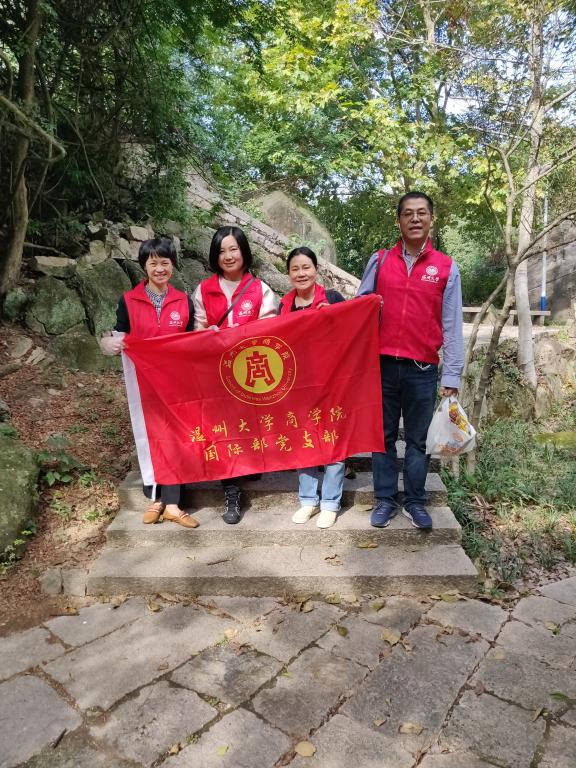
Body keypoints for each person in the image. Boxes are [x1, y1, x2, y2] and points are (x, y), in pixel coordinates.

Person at [357, 192, 464, 530]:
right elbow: (359, 309)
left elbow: (452, 323)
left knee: (418, 440)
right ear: (399, 220)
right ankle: (385, 499)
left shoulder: (446, 267)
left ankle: (415, 501)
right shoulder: (380, 260)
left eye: (421, 213)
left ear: (432, 219)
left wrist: (453, 374)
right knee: (382, 437)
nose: (415, 219)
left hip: (422, 369)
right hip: (382, 365)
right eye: (407, 213)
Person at [100, 237, 199, 529]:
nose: (159, 269)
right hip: (143, 383)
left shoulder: (183, 301)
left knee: (177, 438)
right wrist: (107, 344)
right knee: (152, 435)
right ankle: (156, 500)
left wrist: (213, 336)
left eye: (165, 262)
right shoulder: (129, 301)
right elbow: (118, 335)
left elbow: (193, 340)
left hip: (177, 383)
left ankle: (171, 505)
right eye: (153, 263)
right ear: (144, 266)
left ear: (173, 265)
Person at [193, 225, 278, 524]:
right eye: (221, 251)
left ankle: (249, 463)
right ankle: (231, 491)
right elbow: (196, 329)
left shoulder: (260, 289)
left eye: (233, 249)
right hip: (215, 372)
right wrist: (207, 334)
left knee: (247, 423)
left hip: (249, 371)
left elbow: (271, 328)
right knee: (222, 428)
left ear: (244, 252)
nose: (228, 256)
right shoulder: (204, 290)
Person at [278, 246, 346, 529]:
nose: (301, 273)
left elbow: (351, 333)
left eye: (306, 267)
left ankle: (330, 502)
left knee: (333, 441)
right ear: (288, 274)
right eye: (295, 269)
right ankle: (308, 500)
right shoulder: (283, 306)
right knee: (302, 439)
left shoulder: (333, 299)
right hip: (298, 386)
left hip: (332, 383)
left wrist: (334, 318)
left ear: (316, 270)